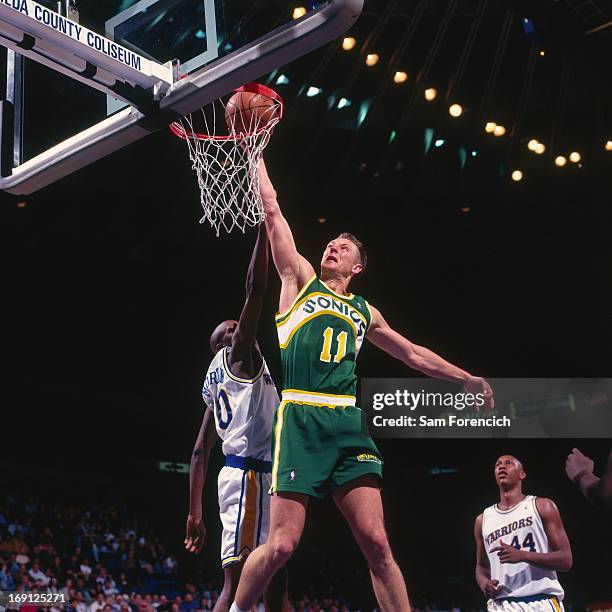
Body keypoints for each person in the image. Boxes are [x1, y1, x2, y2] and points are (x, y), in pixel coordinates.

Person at [229, 160, 495, 612]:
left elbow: (412, 353)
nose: (333, 246)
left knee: (377, 542)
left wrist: (464, 378)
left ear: (358, 267)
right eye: (331, 242)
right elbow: (271, 210)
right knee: (282, 546)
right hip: (301, 416)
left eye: (344, 247)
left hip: (347, 423)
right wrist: (256, 150)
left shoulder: (364, 311)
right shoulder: (300, 281)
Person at [185, 224, 288, 612]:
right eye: (231, 328)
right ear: (224, 345)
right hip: (248, 478)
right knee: (240, 584)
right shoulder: (237, 357)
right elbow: (255, 290)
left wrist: (195, 513)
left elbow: (199, 452)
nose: (238, 326)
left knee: (276, 581)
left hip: (253, 477)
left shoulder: (216, 387)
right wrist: (265, 226)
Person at [474, 455, 572, 611]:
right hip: (501, 604)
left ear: (522, 474)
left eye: (509, 463)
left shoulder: (542, 506)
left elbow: (566, 560)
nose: (502, 466)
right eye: (498, 464)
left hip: (540, 601)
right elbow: (481, 567)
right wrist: (484, 583)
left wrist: (523, 555)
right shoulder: (483, 519)